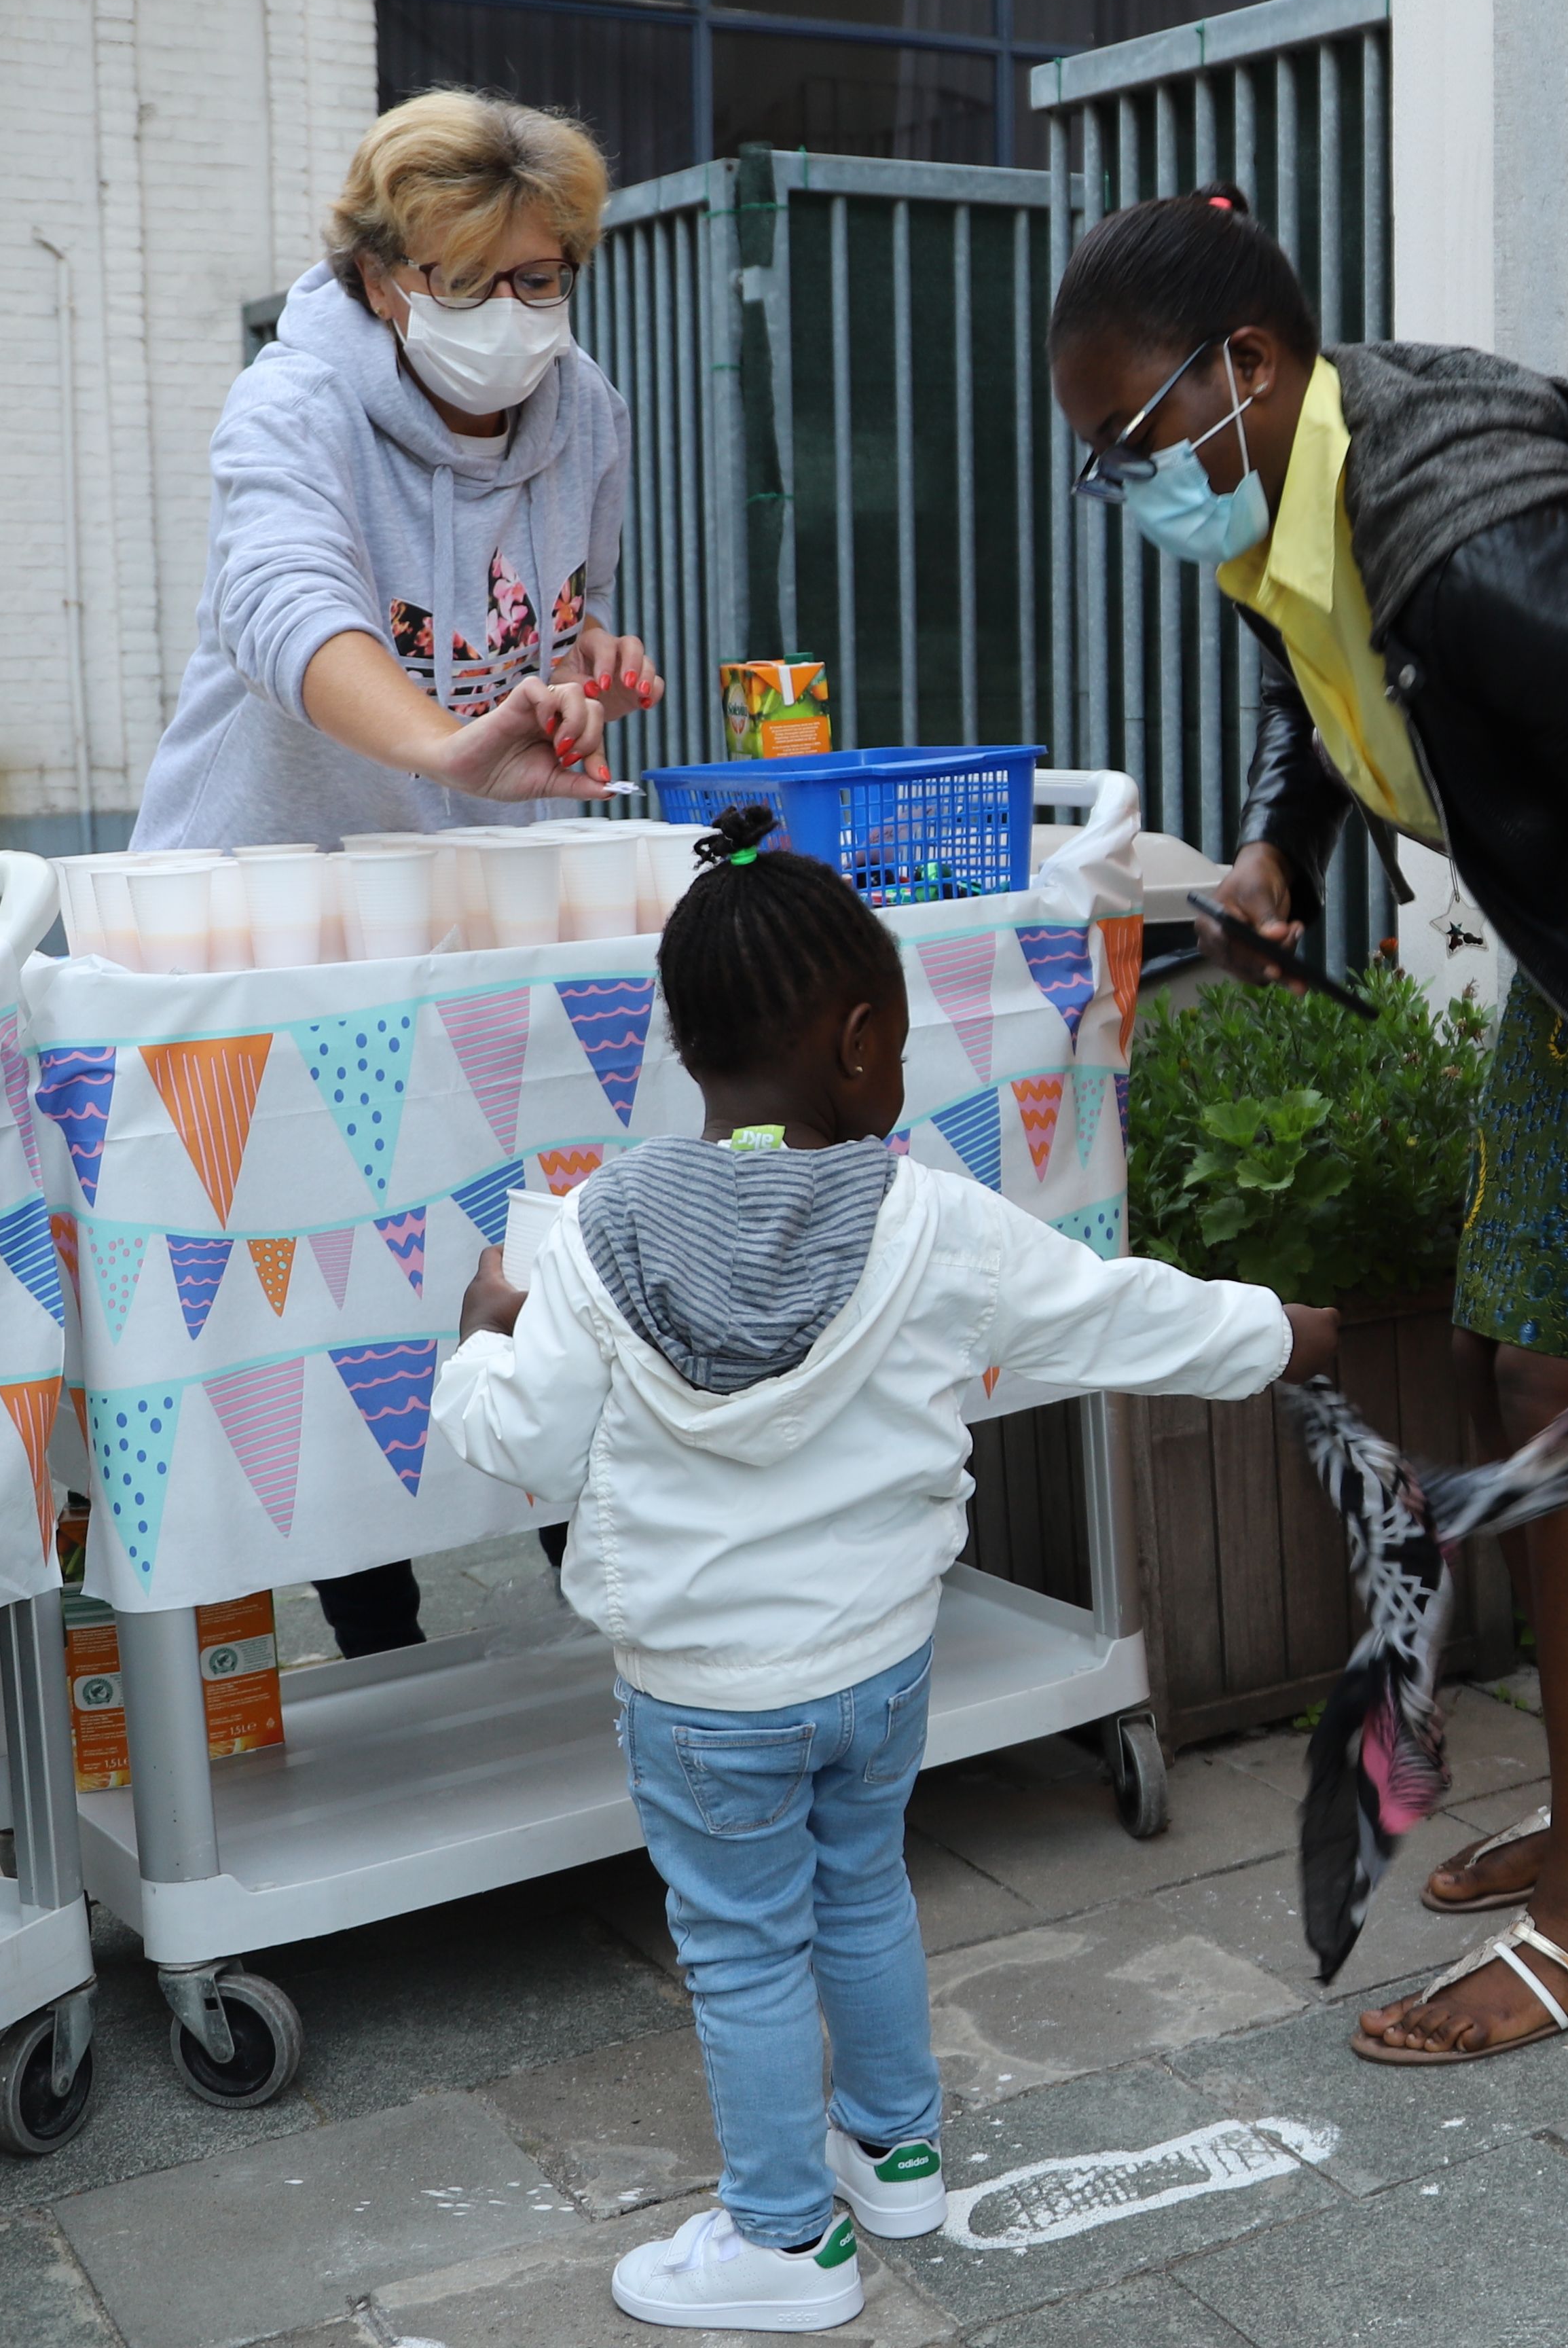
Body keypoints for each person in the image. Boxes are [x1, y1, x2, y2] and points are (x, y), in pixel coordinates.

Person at [1042, 189, 1568, 2062]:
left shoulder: (1486, 546)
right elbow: (1306, 677)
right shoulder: (1284, 492)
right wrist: (1286, 843)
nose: (1129, 491)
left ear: (1246, 369)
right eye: (1098, 465)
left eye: (1131, 446)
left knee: (1558, 1383)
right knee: (1532, 1351)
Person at [433, 810, 1341, 2328]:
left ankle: (787, 2245)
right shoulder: (934, 1224)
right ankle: (892, 2151)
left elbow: (511, 1440)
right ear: (859, 1042)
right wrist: (1281, 1332)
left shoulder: (590, 1237)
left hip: (702, 1691)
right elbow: (1122, 1313)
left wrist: (481, 1323)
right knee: (861, 1889)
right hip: (877, 1668)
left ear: (693, 1042)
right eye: (906, 1040)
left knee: (742, 1947)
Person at [142, 88, 663, 1661]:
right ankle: (380, 1644)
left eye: (543, 279)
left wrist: (580, 666)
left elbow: (554, 611)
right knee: (326, 1290)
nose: (518, 320)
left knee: (534, 1255)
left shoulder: (589, 413)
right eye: (472, 283)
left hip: (481, 910)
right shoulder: (288, 410)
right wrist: (444, 746)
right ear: (384, 279)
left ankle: (625, 1632)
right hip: (277, 901)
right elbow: (298, 615)